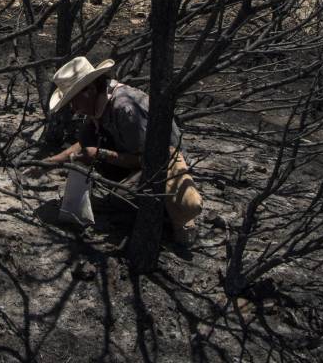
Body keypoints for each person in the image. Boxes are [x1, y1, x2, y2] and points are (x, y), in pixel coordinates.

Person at [42, 56, 203, 245]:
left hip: (166, 165)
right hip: (133, 157)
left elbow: (150, 159)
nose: (74, 108)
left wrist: (100, 154)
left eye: (74, 100)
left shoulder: (126, 110)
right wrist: (49, 163)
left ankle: (173, 218)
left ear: (90, 89)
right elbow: (84, 144)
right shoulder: (97, 105)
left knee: (122, 198)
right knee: (109, 183)